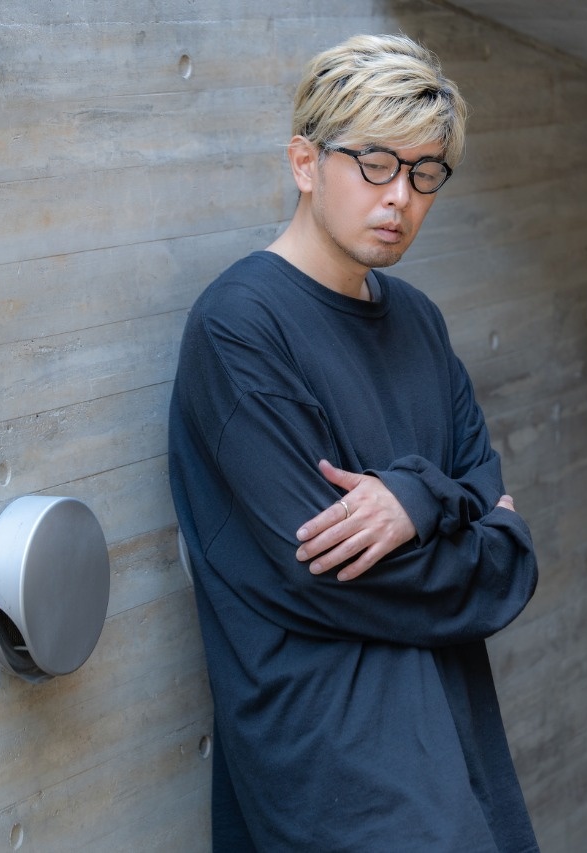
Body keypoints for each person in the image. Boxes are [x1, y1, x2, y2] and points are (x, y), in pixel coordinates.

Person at [167, 33, 540, 852]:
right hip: (336, 777)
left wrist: (416, 498)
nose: (399, 195)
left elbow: (504, 533)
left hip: (456, 752)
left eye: (425, 173)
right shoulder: (239, 329)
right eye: (375, 163)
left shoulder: (419, 321)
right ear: (305, 163)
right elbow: (329, 571)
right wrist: (474, 526)